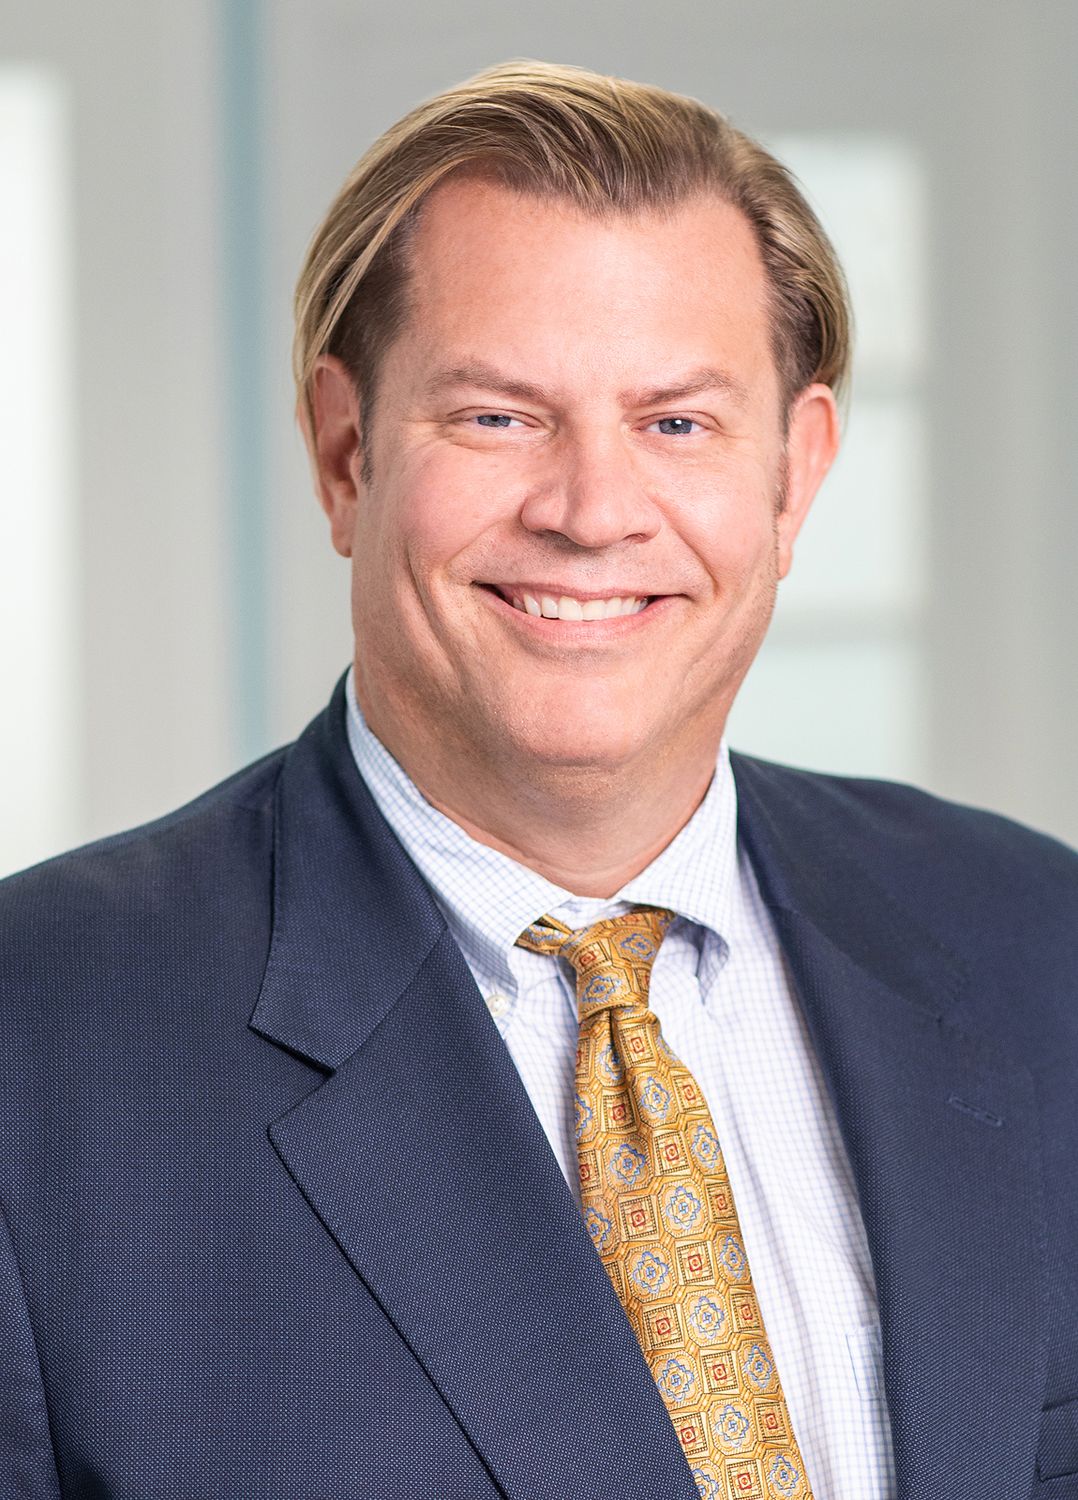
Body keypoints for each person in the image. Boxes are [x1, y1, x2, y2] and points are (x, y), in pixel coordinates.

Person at [1, 60, 1075, 1500]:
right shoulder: (41, 1041)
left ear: (794, 475)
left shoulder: (1030, 940)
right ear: (342, 452)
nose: (589, 511)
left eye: (677, 422)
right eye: (499, 415)